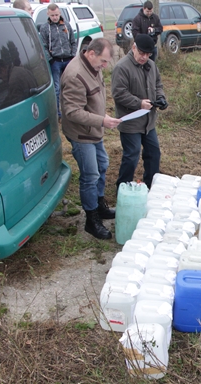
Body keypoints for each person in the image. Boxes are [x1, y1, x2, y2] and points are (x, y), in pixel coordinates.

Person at [60, 38, 121, 240]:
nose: (105, 66)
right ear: (91, 53)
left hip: (95, 130)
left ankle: (100, 204)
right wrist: (101, 120)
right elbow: (71, 112)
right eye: (103, 61)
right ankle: (91, 219)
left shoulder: (94, 66)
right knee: (90, 175)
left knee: (103, 164)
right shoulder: (75, 75)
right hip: (82, 134)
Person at [111, 34, 167, 190]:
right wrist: (139, 103)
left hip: (149, 123)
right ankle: (122, 188)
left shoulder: (151, 65)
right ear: (133, 47)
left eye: (148, 54)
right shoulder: (122, 67)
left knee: (154, 153)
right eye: (142, 53)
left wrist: (161, 98)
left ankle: (150, 187)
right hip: (130, 122)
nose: (144, 57)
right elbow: (119, 93)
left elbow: (158, 85)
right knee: (132, 156)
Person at [40, 3, 77, 118]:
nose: (55, 17)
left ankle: (72, 110)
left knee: (71, 86)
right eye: (52, 15)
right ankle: (58, 113)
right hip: (55, 62)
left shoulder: (66, 25)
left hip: (68, 60)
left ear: (60, 13)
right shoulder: (45, 28)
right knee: (57, 89)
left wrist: (73, 56)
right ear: (48, 14)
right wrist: (50, 60)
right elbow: (44, 46)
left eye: (56, 14)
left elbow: (73, 42)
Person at [12, 0, 52, 64]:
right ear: (21, 10)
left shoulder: (28, 24)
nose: (32, 11)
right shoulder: (17, 28)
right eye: (29, 9)